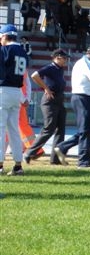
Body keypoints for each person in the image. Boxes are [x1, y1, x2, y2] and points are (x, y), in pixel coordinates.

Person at [53, 45, 90, 168]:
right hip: (83, 98)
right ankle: (83, 162)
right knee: (86, 131)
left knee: (85, 130)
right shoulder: (87, 63)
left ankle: (62, 147)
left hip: (82, 98)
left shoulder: (81, 62)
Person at [24, 48, 69, 165]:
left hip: (59, 100)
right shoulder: (50, 67)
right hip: (49, 101)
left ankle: (55, 159)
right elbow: (35, 75)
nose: (66, 61)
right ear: (57, 57)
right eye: (64, 58)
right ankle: (29, 153)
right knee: (49, 129)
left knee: (61, 130)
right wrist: (46, 88)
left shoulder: (59, 69)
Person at [0, 25, 28, 175]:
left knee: (0, 128)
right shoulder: (23, 52)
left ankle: (0, 164)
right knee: (13, 130)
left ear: (4, 36)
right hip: (17, 91)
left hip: (3, 90)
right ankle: (18, 165)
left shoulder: (4, 50)